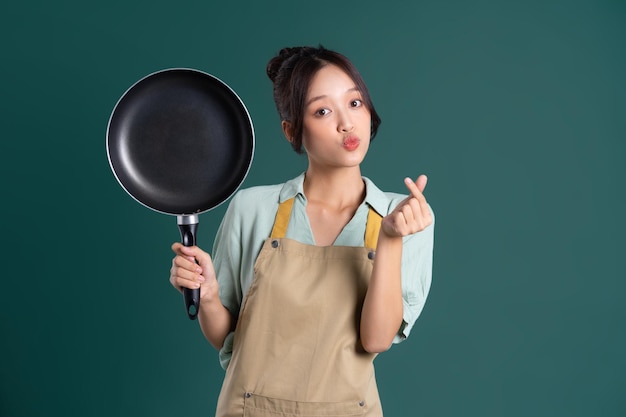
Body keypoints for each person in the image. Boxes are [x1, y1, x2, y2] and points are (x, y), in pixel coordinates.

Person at [169, 45, 434, 417]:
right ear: (293, 130)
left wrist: (390, 240)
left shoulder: (406, 215)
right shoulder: (252, 208)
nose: (347, 123)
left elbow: (375, 339)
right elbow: (226, 337)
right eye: (323, 111)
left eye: (355, 103)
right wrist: (209, 295)